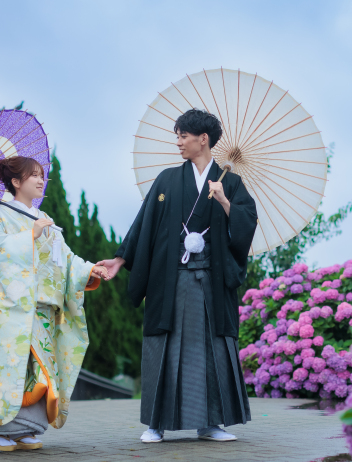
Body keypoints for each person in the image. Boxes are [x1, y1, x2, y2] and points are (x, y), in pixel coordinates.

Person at [98, 109, 257, 443]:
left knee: (210, 350)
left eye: (183, 136)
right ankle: (156, 423)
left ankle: (211, 423)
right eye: (178, 136)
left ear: (203, 139)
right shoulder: (167, 180)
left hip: (211, 283)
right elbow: (144, 223)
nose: (179, 142)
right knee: (166, 348)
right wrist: (120, 258)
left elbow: (246, 225)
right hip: (171, 280)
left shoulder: (230, 182)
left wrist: (226, 202)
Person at [0, 156, 107, 451]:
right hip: (14, 310)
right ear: (16, 182)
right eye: (33, 175)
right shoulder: (1, 216)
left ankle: (25, 429)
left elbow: (65, 257)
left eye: (41, 175)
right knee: (12, 368)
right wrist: (29, 237)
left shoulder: (42, 215)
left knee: (38, 370)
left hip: (43, 310)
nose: (40, 180)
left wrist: (88, 269)